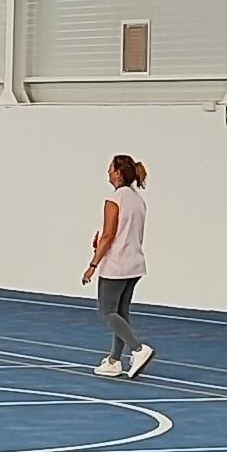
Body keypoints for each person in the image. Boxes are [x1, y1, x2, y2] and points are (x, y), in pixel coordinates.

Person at [80, 155, 151, 379]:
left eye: (110, 169)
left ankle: (138, 349)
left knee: (107, 312)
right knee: (121, 313)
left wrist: (93, 265)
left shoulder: (114, 200)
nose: (108, 173)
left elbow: (109, 235)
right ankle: (113, 361)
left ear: (118, 174)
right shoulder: (138, 200)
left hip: (117, 265)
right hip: (135, 264)